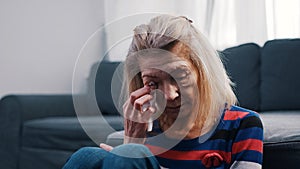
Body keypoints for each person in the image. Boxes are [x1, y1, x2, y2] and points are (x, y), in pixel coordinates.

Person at [63, 15, 263, 169]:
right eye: (152, 83)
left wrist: (129, 152)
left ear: (203, 72)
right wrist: (131, 142)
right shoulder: (144, 128)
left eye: (180, 76)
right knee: (88, 156)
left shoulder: (243, 124)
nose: (169, 95)